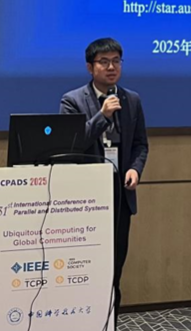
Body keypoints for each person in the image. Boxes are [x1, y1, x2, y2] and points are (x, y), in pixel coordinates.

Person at [60, 37, 149, 325]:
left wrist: (135, 169)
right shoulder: (72, 100)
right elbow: (72, 144)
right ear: (90, 67)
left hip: (120, 195)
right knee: (86, 268)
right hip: (86, 198)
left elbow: (140, 144)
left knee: (114, 269)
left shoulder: (132, 100)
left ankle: (110, 323)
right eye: (104, 62)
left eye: (116, 61)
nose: (111, 67)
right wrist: (102, 115)